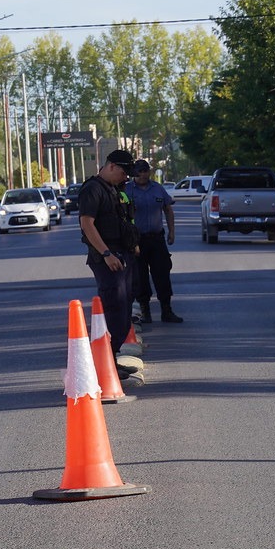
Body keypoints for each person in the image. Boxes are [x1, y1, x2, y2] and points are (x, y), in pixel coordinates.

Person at [78, 149, 142, 381]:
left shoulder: (115, 189)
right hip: (107, 258)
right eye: (124, 172)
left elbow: (124, 220)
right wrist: (105, 253)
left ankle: (111, 360)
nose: (126, 177)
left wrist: (133, 245)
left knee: (124, 311)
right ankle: (102, 365)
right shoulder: (92, 190)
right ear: (112, 166)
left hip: (122, 254)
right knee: (113, 310)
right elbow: (87, 224)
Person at [126, 159, 183, 323]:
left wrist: (172, 232)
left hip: (157, 239)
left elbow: (168, 209)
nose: (143, 174)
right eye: (140, 171)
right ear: (134, 173)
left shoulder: (158, 188)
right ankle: (145, 312)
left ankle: (167, 310)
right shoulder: (127, 190)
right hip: (137, 241)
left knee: (162, 274)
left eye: (145, 171)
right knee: (140, 277)